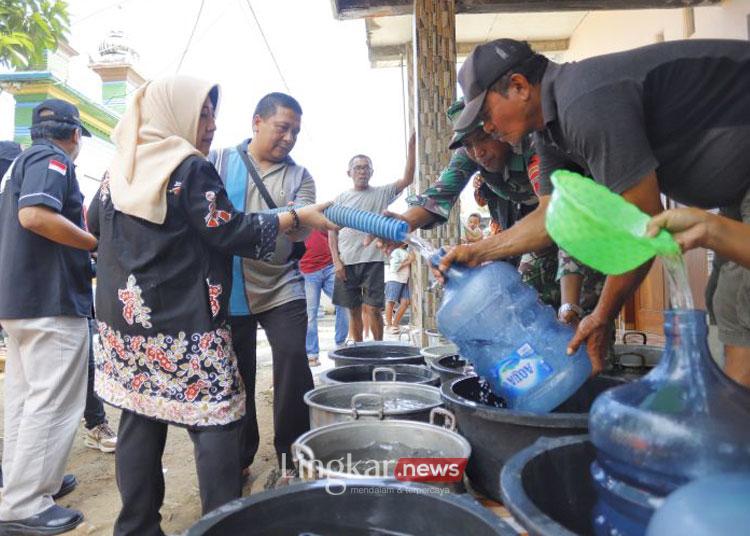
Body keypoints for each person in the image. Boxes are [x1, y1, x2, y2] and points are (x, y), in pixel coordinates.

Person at [88, 77, 334, 535]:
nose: (211, 125)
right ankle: (224, 527)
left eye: (212, 114)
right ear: (173, 113)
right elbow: (229, 230)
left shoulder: (119, 169)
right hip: (185, 326)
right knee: (218, 422)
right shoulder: (190, 169)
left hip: (126, 328)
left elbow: (93, 225)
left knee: (140, 418)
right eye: (202, 113)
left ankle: (136, 527)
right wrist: (297, 217)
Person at [442, 38, 750, 384]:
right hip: (737, 190)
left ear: (519, 86)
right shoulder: (550, 131)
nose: (487, 128)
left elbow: (643, 223)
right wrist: (479, 252)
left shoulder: (585, 103)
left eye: (485, 114)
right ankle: (736, 426)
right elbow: (549, 218)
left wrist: (602, 314)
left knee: (743, 296)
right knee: (731, 304)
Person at [209, 92, 319, 481]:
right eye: (282, 127)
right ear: (257, 121)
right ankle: (240, 457)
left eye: (295, 132)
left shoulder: (300, 176)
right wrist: (282, 216)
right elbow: (207, 217)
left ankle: (292, 455)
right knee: (237, 374)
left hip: (280, 285)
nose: (289, 138)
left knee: (292, 362)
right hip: (230, 286)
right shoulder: (218, 161)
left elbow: (302, 225)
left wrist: (242, 222)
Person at [0, 100, 95, 534]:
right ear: (74, 134)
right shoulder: (51, 158)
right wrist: (92, 243)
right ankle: (24, 504)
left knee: (23, 400)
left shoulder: (17, 164)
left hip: (19, 301)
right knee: (51, 403)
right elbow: (35, 216)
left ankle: (25, 487)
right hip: (49, 301)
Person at [330, 134, 416, 342]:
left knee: (373, 308)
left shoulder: (381, 193)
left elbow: (407, 180)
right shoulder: (340, 198)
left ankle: (377, 348)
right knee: (353, 309)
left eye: (366, 167)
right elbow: (331, 230)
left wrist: (412, 149)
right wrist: (336, 260)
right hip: (347, 261)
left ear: (372, 172)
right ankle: (359, 350)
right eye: (358, 167)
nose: (362, 171)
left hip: (373, 261)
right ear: (349, 172)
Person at [299, 229, 349, 366]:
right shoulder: (294, 211)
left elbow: (333, 232)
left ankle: (341, 344)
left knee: (344, 302)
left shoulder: (321, 211)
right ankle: (311, 353)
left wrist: (337, 259)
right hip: (306, 270)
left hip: (329, 266)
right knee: (310, 314)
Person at [384, 244, 414, 334]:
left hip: (403, 280)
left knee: (406, 302)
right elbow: (395, 268)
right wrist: (409, 261)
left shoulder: (404, 252)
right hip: (395, 279)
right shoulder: (397, 251)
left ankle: (395, 325)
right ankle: (389, 326)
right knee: (391, 301)